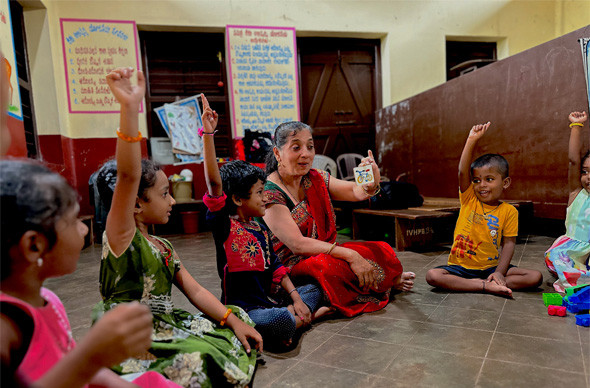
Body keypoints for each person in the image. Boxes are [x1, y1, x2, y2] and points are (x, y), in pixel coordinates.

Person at [93, 67, 262, 388]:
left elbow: (195, 290)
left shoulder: (164, 247)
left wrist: (231, 321)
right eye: (164, 194)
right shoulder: (121, 238)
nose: (172, 201)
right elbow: (128, 177)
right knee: (200, 359)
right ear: (135, 203)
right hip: (129, 333)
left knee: (234, 320)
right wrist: (129, 108)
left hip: (165, 323)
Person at [0, 160, 178, 388]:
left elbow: (79, 369)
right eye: (74, 221)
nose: (84, 229)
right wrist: (90, 356)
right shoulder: (6, 327)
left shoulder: (49, 300)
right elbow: (79, 367)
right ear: (34, 245)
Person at [200, 96, 328, 347]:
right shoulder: (225, 225)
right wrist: (208, 134)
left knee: (313, 290)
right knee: (278, 320)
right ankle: (298, 322)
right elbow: (215, 184)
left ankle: (297, 319)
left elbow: (277, 268)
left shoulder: (260, 228)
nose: (265, 197)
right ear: (237, 199)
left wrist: (297, 299)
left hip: (270, 302)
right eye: (259, 193)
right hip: (245, 311)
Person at [262, 121, 415, 318]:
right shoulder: (270, 192)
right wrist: (351, 256)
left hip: (324, 253)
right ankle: (382, 285)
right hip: (290, 268)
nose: (306, 154)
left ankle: (371, 286)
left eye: (310, 146)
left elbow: (355, 191)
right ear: (277, 153)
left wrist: (372, 182)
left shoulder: (315, 178)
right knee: (332, 266)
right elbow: (297, 245)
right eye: (296, 147)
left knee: (378, 249)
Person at [425, 122, 542, 296]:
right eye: (477, 180)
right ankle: (484, 285)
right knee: (433, 276)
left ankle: (479, 283)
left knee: (535, 277)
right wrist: (472, 139)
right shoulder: (469, 198)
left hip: (491, 267)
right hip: (461, 267)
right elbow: (462, 173)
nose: (482, 185)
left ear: (505, 182)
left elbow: (509, 243)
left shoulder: (509, 211)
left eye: (489, 179)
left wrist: (499, 272)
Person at [545, 111, 590, 292]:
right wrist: (576, 126)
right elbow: (573, 161)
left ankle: (581, 280)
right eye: (585, 172)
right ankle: (577, 282)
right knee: (559, 258)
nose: (588, 177)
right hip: (570, 253)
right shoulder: (577, 193)